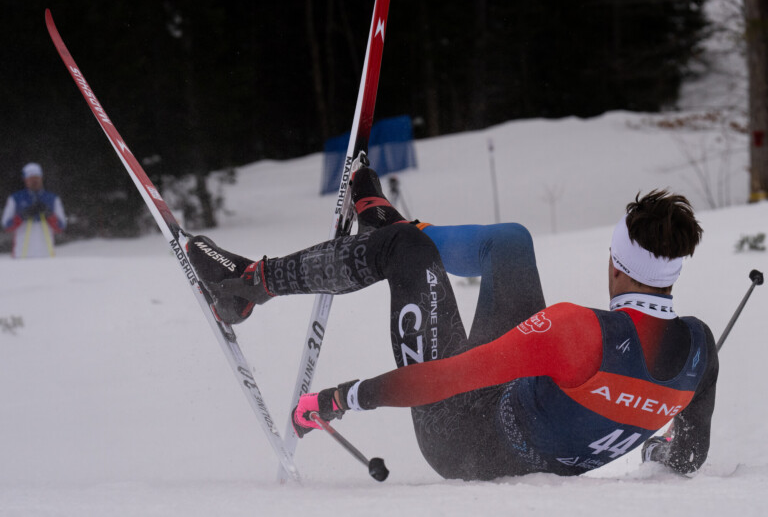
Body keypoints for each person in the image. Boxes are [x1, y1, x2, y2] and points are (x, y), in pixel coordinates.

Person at [186, 167, 718, 480]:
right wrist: (657, 450)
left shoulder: (580, 332)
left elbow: (450, 380)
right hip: (521, 408)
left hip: (461, 438)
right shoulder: (699, 349)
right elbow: (690, 455)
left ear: (615, 263)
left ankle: (246, 286)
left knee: (404, 254)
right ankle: (387, 223)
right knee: (510, 243)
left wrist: (341, 398)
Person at [2, 163, 67, 258]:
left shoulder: (52, 198)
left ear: (41, 178)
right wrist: (22, 216)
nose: (34, 181)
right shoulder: (15, 198)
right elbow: (6, 226)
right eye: (31, 178)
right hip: (21, 255)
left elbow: (61, 226)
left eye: (37, 178)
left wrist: (49, 215)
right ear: (25, 180)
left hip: (46, 255)